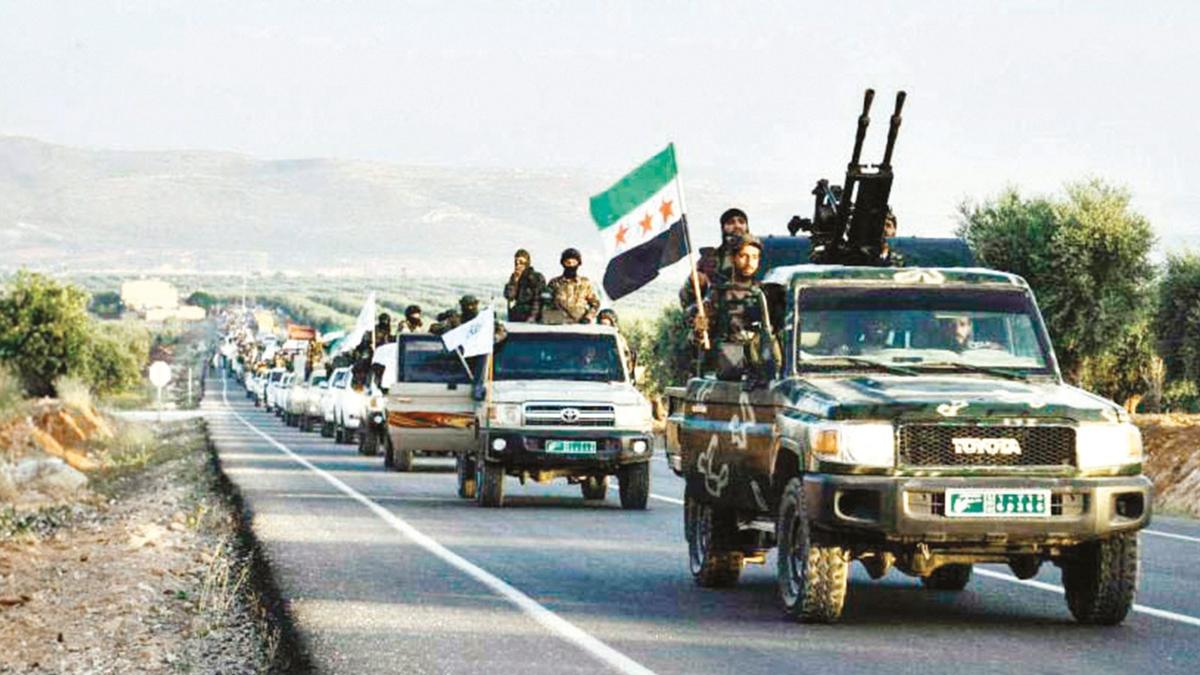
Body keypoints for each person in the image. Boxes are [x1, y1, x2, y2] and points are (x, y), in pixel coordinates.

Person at [691, 234, 779, 383]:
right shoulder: (718, 294)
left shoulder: (767, 293)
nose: (749, 263)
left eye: (755, 257)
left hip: (763, 367)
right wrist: (700, 329)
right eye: (743, 256)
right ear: (733, 258)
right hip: (729, 368)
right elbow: (698, 339)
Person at [679, 207, 751, 309]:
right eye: (731, 222)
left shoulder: (761, 255)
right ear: (723, 228)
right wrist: (695, 282)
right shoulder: (709, 259)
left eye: (741, 222)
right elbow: (686, 296)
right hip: (719, 312)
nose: (737, 225)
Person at [544, 248, 601, 324]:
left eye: (574, 262)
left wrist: (588, 317)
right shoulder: (555, 283)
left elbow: (595, 304)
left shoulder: (584, 283)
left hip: (580, 324)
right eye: (568, 262)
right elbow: (546, 303)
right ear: (563, 263)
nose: (571, 265)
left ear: (578, 263)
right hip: (559, 324)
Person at [504, 248, 546, 322]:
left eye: (521, 263)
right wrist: (514, 282)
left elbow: (538, 301)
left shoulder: (536, 277)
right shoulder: (514, 277)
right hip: (516, 316)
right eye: (516, 263)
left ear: (527, 263)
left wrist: (532, 318)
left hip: (531, 316)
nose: (518, 265)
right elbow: (509, 297)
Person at [598, 308, 637, 376]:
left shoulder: (618, 341)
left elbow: (626, 362)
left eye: (606, 326)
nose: (603, 329)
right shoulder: (594, 340)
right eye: (601, 325)